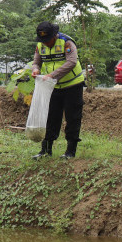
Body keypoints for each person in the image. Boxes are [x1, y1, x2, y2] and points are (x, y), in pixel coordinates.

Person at [31, 21, 85, 160]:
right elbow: (37, 61)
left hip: (72, 85)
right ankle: (45, 150)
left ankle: (70, 151)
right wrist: (35, 69)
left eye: (48, 40)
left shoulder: (66, 42)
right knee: (50, 117)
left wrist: (52, 75)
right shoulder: (40, 45)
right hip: (53, 86)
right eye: (43, 40)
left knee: (72, 118)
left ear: (55, 36)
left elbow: (71, 62)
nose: (46, 43)